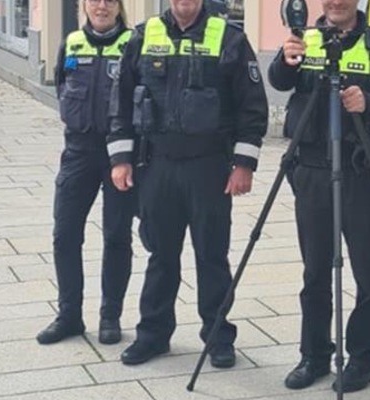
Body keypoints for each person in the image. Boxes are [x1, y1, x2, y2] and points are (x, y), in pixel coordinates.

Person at [106, 0, 268, 368]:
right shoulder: (144, 36)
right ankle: (153, 335)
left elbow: (252, 106)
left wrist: (243, 163)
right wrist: (120, 158)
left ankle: (217, 337)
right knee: (160, 255)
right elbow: (120, 103)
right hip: (157, 164)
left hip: (209, 167)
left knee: (212, 255)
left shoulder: (229, 38)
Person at [268, 0, 370, 393]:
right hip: (312, 170)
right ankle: (314, 354)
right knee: (315, 270)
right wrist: (286, 60)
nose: (335, 2)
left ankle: (364, 358)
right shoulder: (306, 39)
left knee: (367, 271)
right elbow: (279, 82)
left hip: (360, 170)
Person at [36, 0, 134, 346]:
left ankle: (111, 315)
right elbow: (62, 87)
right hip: (77, 151)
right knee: (64, 233)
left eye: (110, 0)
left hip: (119, 153)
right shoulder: (72, 41)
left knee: (117, 236)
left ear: (119, 7)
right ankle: (69, 315)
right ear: (84, 5)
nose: (102, 6)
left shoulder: (132, 45)